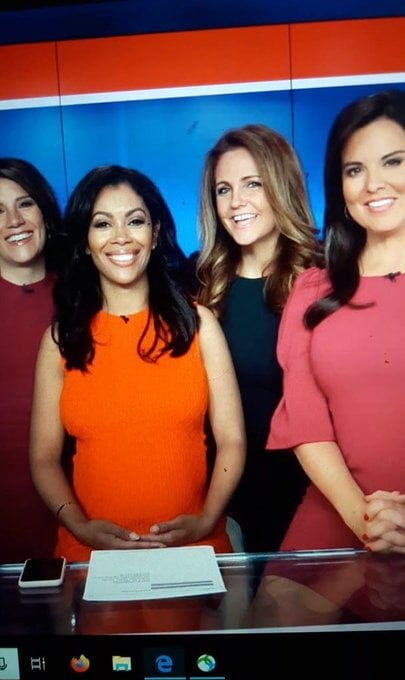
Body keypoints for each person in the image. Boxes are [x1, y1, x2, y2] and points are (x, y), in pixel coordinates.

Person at [30, 165, 245, 562]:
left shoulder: (199, 325)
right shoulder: (60, 339)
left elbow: (232, 439)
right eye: (102, 224)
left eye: (135, 221)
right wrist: (79, 526)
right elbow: (43, 458)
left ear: (155, 233)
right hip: (91, 551)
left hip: (193, 547)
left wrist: (206, 519)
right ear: (84, 242)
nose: (121, 237)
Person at [268, 90, 405, 553]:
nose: (373, 184)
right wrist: (365, 520)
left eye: (393, 162)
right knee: (274, 602)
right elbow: (306, 422)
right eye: (354, 170)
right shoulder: (312, 290)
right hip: (337, 510)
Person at [197, 125, 319, 552]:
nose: (236, 202)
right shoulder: (200, 284)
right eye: (223, 189)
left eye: (253, 184)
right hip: (219, 495)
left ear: (281, 186)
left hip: (306, 494)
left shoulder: (323, 281)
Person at [0, 158, 61, 563]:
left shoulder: (86, 295)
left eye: (24, 203)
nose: (14, 221)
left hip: (84, 514)